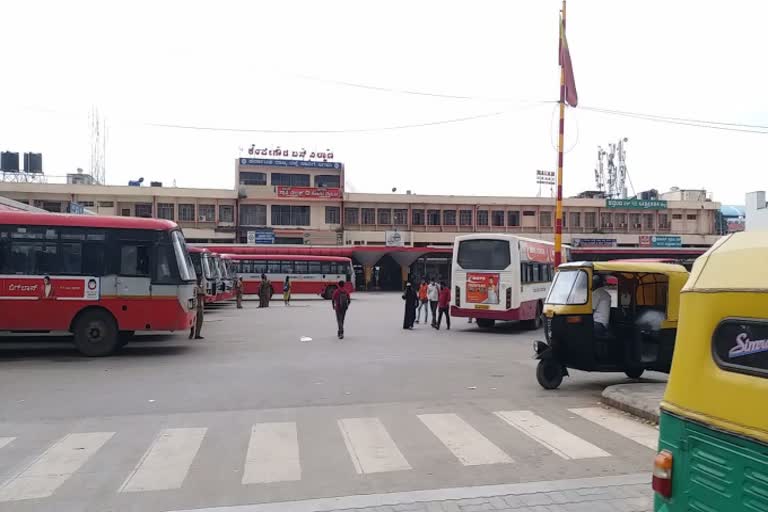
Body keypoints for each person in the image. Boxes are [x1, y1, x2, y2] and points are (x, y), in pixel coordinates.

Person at [190, 273, 206, 339]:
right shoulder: (194, 287)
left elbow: (204, 294)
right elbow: (195, 295)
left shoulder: (201, 286)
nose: (200, 280)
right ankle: (192, 333)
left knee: (200, 320)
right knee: (193, 321)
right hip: (195, 306)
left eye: (201, 279)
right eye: (199, 279)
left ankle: (197, 334)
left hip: (200, 305)